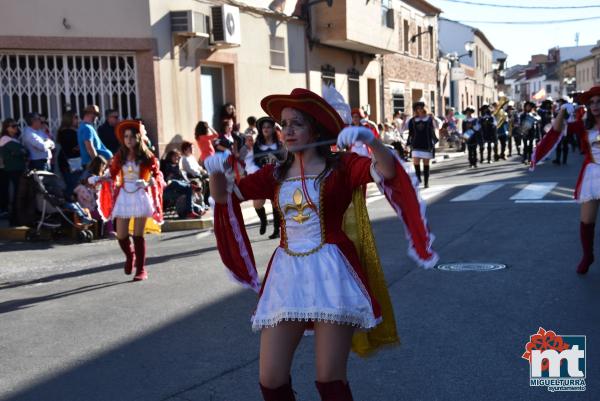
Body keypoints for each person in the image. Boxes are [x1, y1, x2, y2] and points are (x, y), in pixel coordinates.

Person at [205, 88, 437, 401]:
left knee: (329, 380)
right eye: (283, 123)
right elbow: (224, 198)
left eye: (296, 123)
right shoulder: (274, 173)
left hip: (332, 274)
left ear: (315, 129)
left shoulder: (342, 167)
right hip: (286, 276)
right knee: (270, 380)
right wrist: (216, 171)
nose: (286, 130)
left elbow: (389, 170)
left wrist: (370, 141)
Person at [531, 85, 600, 275]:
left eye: (599, 102)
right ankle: (588, 256)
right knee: (587, 221)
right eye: (591, 103)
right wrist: (562, 111)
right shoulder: (583, 126)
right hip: (592, 176)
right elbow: (557, 129)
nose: (595, 106)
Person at [98, 120, 164, 281]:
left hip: (140, 195)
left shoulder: (148, 157)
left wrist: (148, 182)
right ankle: (130, 255)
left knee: (138, 235)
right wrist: (98, 178)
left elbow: (158, 176)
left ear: (138, 138)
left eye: (132, 137)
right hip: (124, 196)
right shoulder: (119, 156)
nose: (128, 140)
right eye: (126, 136)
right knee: (121, 235)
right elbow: (112, 174)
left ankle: (141, 269)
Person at [251, 116, 285, 239]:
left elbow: (284, 159)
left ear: (273, 129)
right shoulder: (257, 145)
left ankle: (277, 229)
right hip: (262, 176)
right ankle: (264, 221)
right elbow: (253, 160)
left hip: (276, 177)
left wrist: (276, 162)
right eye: (264, 127)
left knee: (275, 203)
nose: (266, 129)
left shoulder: (279, 144)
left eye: (268, 127)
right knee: (257, 203)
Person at [74, 155, 115, 238]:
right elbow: (93, 183)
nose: (104, 168)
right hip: (88, 209)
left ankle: (111, 231)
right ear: (99, 166)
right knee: (107, 211)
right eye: (103, 166)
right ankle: (110, 231)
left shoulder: (91, 177)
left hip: (92, 206)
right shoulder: (89, 178)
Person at [0, 119, 27, 225]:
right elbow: (20, 151)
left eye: (17, 125)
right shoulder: (5, 139)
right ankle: (13, 216)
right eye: (13, 126)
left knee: (18, 192)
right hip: (12, 170)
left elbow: (24, 151)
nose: (16, 128)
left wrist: (22, 152)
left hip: (18, 169)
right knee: (15, 193)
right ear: (7, 128)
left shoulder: (14, 139)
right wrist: (21, 152)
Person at [406, 100, 438, 188]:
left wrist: (434, 118)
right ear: (415, 110)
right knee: (416, 162)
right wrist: (408, 143)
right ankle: (418, 178)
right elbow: (410, 132)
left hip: (426, 144)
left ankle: (426, 182)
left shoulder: (429, 119)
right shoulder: (412, 120)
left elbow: (437, 127)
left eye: (421, 108)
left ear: (424, 109)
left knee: (426, 164)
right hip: (416, 144)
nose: (419, 110)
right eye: (417, 108)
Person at [56, 110, 82, 198]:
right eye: (75, 117)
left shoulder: (69, 131)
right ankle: (66, 202)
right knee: (73, 185)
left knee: (73, 184)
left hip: (71, 162)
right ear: (69, 119)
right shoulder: (67, 132)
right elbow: (72, 148)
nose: (78, 120)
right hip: (69, 163)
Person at [520, 101, 540, 165]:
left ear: (531, 107)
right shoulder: (523, 114)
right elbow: (521, 122)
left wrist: (534, 118)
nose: (527, 107)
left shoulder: (534, 113)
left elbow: (539, 119)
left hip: (532, 131)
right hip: (525, 131)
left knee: (531, 145)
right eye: (526, 106)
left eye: (529, 106)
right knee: (525, 145)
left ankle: (530, 158)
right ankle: (524, 158)